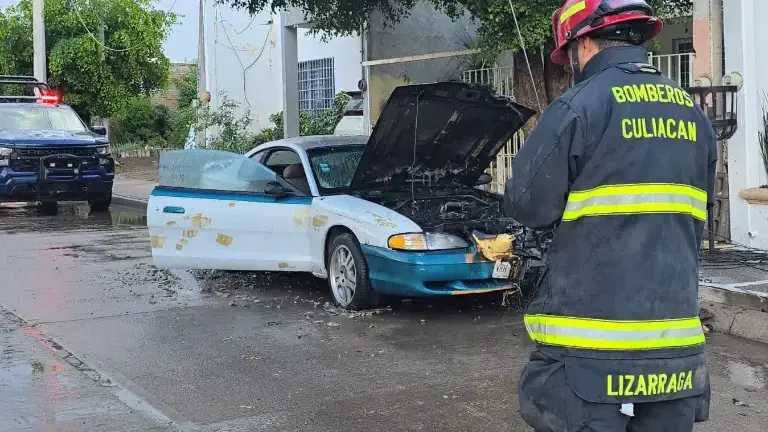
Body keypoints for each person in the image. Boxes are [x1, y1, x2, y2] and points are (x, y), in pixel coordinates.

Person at [503, 0, 717, 430]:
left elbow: (527, 205)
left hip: (588, 352)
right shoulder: (693, 113)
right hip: (674, 351)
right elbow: (699, 212)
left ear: (583, 44)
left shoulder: (578, 106)